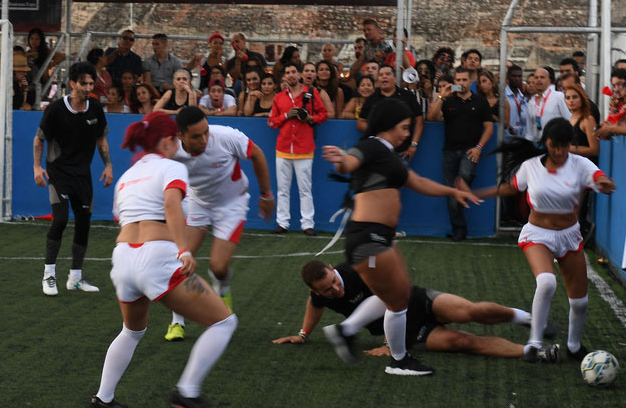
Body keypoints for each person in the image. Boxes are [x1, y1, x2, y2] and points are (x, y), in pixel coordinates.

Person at [90, 112, 237, 408]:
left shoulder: (128, 175)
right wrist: (184, 250)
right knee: (224, 322)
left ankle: (103, 399)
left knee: (131, 331)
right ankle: (187, 390)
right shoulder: (172, 167)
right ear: (170, 140)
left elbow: (123, 215)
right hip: (157, 257)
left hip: (123, 257)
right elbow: (171, 204)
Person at [321, 99, 481, 376]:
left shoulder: (390, 154)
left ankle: (347, 330)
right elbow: (350, 161)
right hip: (368, 236)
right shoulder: (372, 145)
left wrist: (453, 192)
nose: (407, 134)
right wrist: (341, 161)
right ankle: (398, 360)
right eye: (403, 128)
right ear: (387, 126)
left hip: (379, 236)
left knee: (398, 294)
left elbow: (417, 182)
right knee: (397, 302)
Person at [475, 117, 616, 362]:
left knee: (580, 302)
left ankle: (573, 346)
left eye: (564, 146)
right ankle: (534, 343)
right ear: (546, 143)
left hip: (569, 236)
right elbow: (511, 187)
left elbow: (598, 177)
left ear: (571, 144)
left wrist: (603, 183)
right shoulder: (530, 167)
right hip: (537, 234)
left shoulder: (580, 164)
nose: (560, 151)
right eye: (554, 146)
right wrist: (479, 193)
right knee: (547, 282)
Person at [272, 260, 558, 361]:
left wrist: (387, 344)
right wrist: (303, 334)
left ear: (334, 270)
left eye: (334, 283)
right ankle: (534, 352)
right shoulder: (321, 296)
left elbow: (387, 298)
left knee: (474, 311)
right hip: (408, 331)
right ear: (316, 290)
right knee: (463, 342)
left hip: (417, 301)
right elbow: (314, 307)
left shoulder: (357, 269)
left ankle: (530, 319)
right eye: (327, 290)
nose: (335, 290)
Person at [163, 107, 275, 341]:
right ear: (181, 136)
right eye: (196, 136)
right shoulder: (170, 151)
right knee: (180, 264)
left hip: (232, 205)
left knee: (219, 267)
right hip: (198, 204)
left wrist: (266, 194)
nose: (204, 139)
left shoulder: (225, 136)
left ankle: (222, 290)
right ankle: (177, 322)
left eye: (206, 132)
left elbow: (258, 154)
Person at [34, 61, 112, 295]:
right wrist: (37, 167)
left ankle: (75, 278)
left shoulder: (96, 108)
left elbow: (101, 140)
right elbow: (39, 139)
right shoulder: (56, 109)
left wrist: (108, 165)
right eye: (84, 83)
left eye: (91, 83)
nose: (89, 88)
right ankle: (49, 275)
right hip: (58, 173)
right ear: (72, 84)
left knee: (84, 223)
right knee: (59, 220)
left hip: (83, 175)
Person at [427, 68, 494, 240]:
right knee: (451, 193)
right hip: (449, 151)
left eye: (464, 80)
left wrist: (479, 147)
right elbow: (432, 117)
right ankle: (459, 230)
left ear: (471, 81)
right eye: (458, 80)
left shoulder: (480, 101)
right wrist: (442, 95)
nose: (461, 83)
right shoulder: (448, 101)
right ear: (454, 81)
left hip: (470, 150)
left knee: (464, 175)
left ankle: (462, 187)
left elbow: (489, 128)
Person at [270, 62, 329, 235]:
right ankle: (282, 223)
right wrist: (287, 115)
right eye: (287, 72)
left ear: (299, 74)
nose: (290, 75)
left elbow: (323, 115)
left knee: (305, 189)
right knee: (282, 189)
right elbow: (272, 121)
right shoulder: (279, 97)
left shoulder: (311, 94)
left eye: (293, 71)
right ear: (284, 76)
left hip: (304, 147)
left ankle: (307, 224)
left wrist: (309, 117)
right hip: (283, 148)